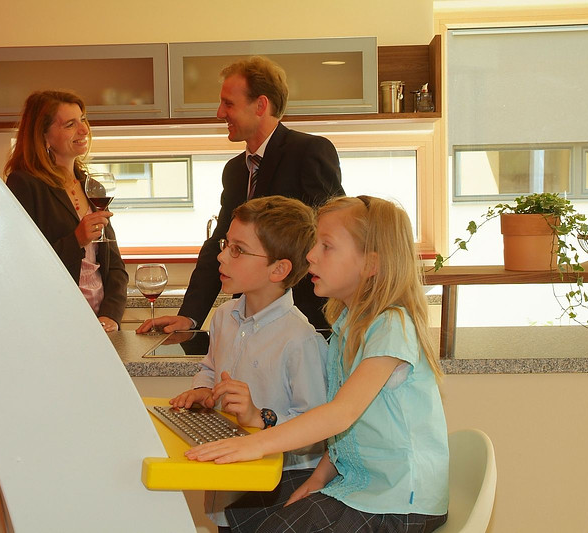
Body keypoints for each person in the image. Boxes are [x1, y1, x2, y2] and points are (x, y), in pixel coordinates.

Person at [186, 196, 449, 533]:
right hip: (356, 489)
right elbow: (346, 434)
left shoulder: (391, 325)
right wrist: (319, 479)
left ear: (371, 264)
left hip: (398, 503)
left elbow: (341, 414)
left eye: (326, 246)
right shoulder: (346, 329)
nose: (310, 255)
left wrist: (253, 443)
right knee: (242, 516)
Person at [137, 56, 343, 335]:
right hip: (248, 322)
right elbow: (219, 243)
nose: (219, 112)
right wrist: (189, 316)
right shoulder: (235, 170)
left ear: (260, 105)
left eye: (228, 103)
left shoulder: (308, 151)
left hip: (304, 322)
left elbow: (333, 235)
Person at [170, 195, 328, 531]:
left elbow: (316, 431)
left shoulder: (300, 339)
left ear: (278, 269)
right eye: (226, 244)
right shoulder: (224, 316)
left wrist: (260, 416)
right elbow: (210, 368)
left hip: (276, 489)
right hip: (228, 477)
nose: (221, 255)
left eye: (238, 250)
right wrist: (203, 390)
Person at [5, 90, 127, 332]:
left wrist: (110, 316)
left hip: (99, 323)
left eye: (83, 120)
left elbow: (114, 265)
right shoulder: (23, 185)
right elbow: (24, 266)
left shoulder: (93, 187)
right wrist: (77, 240)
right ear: (44, 136)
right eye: (70, 124)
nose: (84, 130)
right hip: (54, 322)